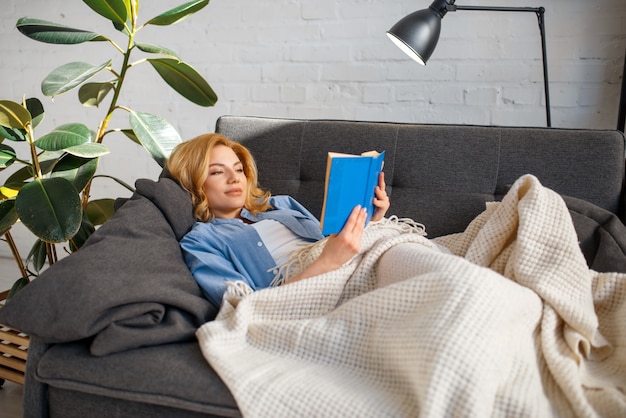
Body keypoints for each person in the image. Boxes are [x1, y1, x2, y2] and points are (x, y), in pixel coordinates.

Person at [166, 133, 390, 309]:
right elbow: (243, 306)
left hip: (358, 264)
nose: (234, 178)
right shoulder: (201, 242)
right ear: (193, 181)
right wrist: (327, 263)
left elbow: (333, 242)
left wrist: (371, 220)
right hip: (316, 292)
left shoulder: (281, 204)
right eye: (216, 172)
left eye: (238, 169)